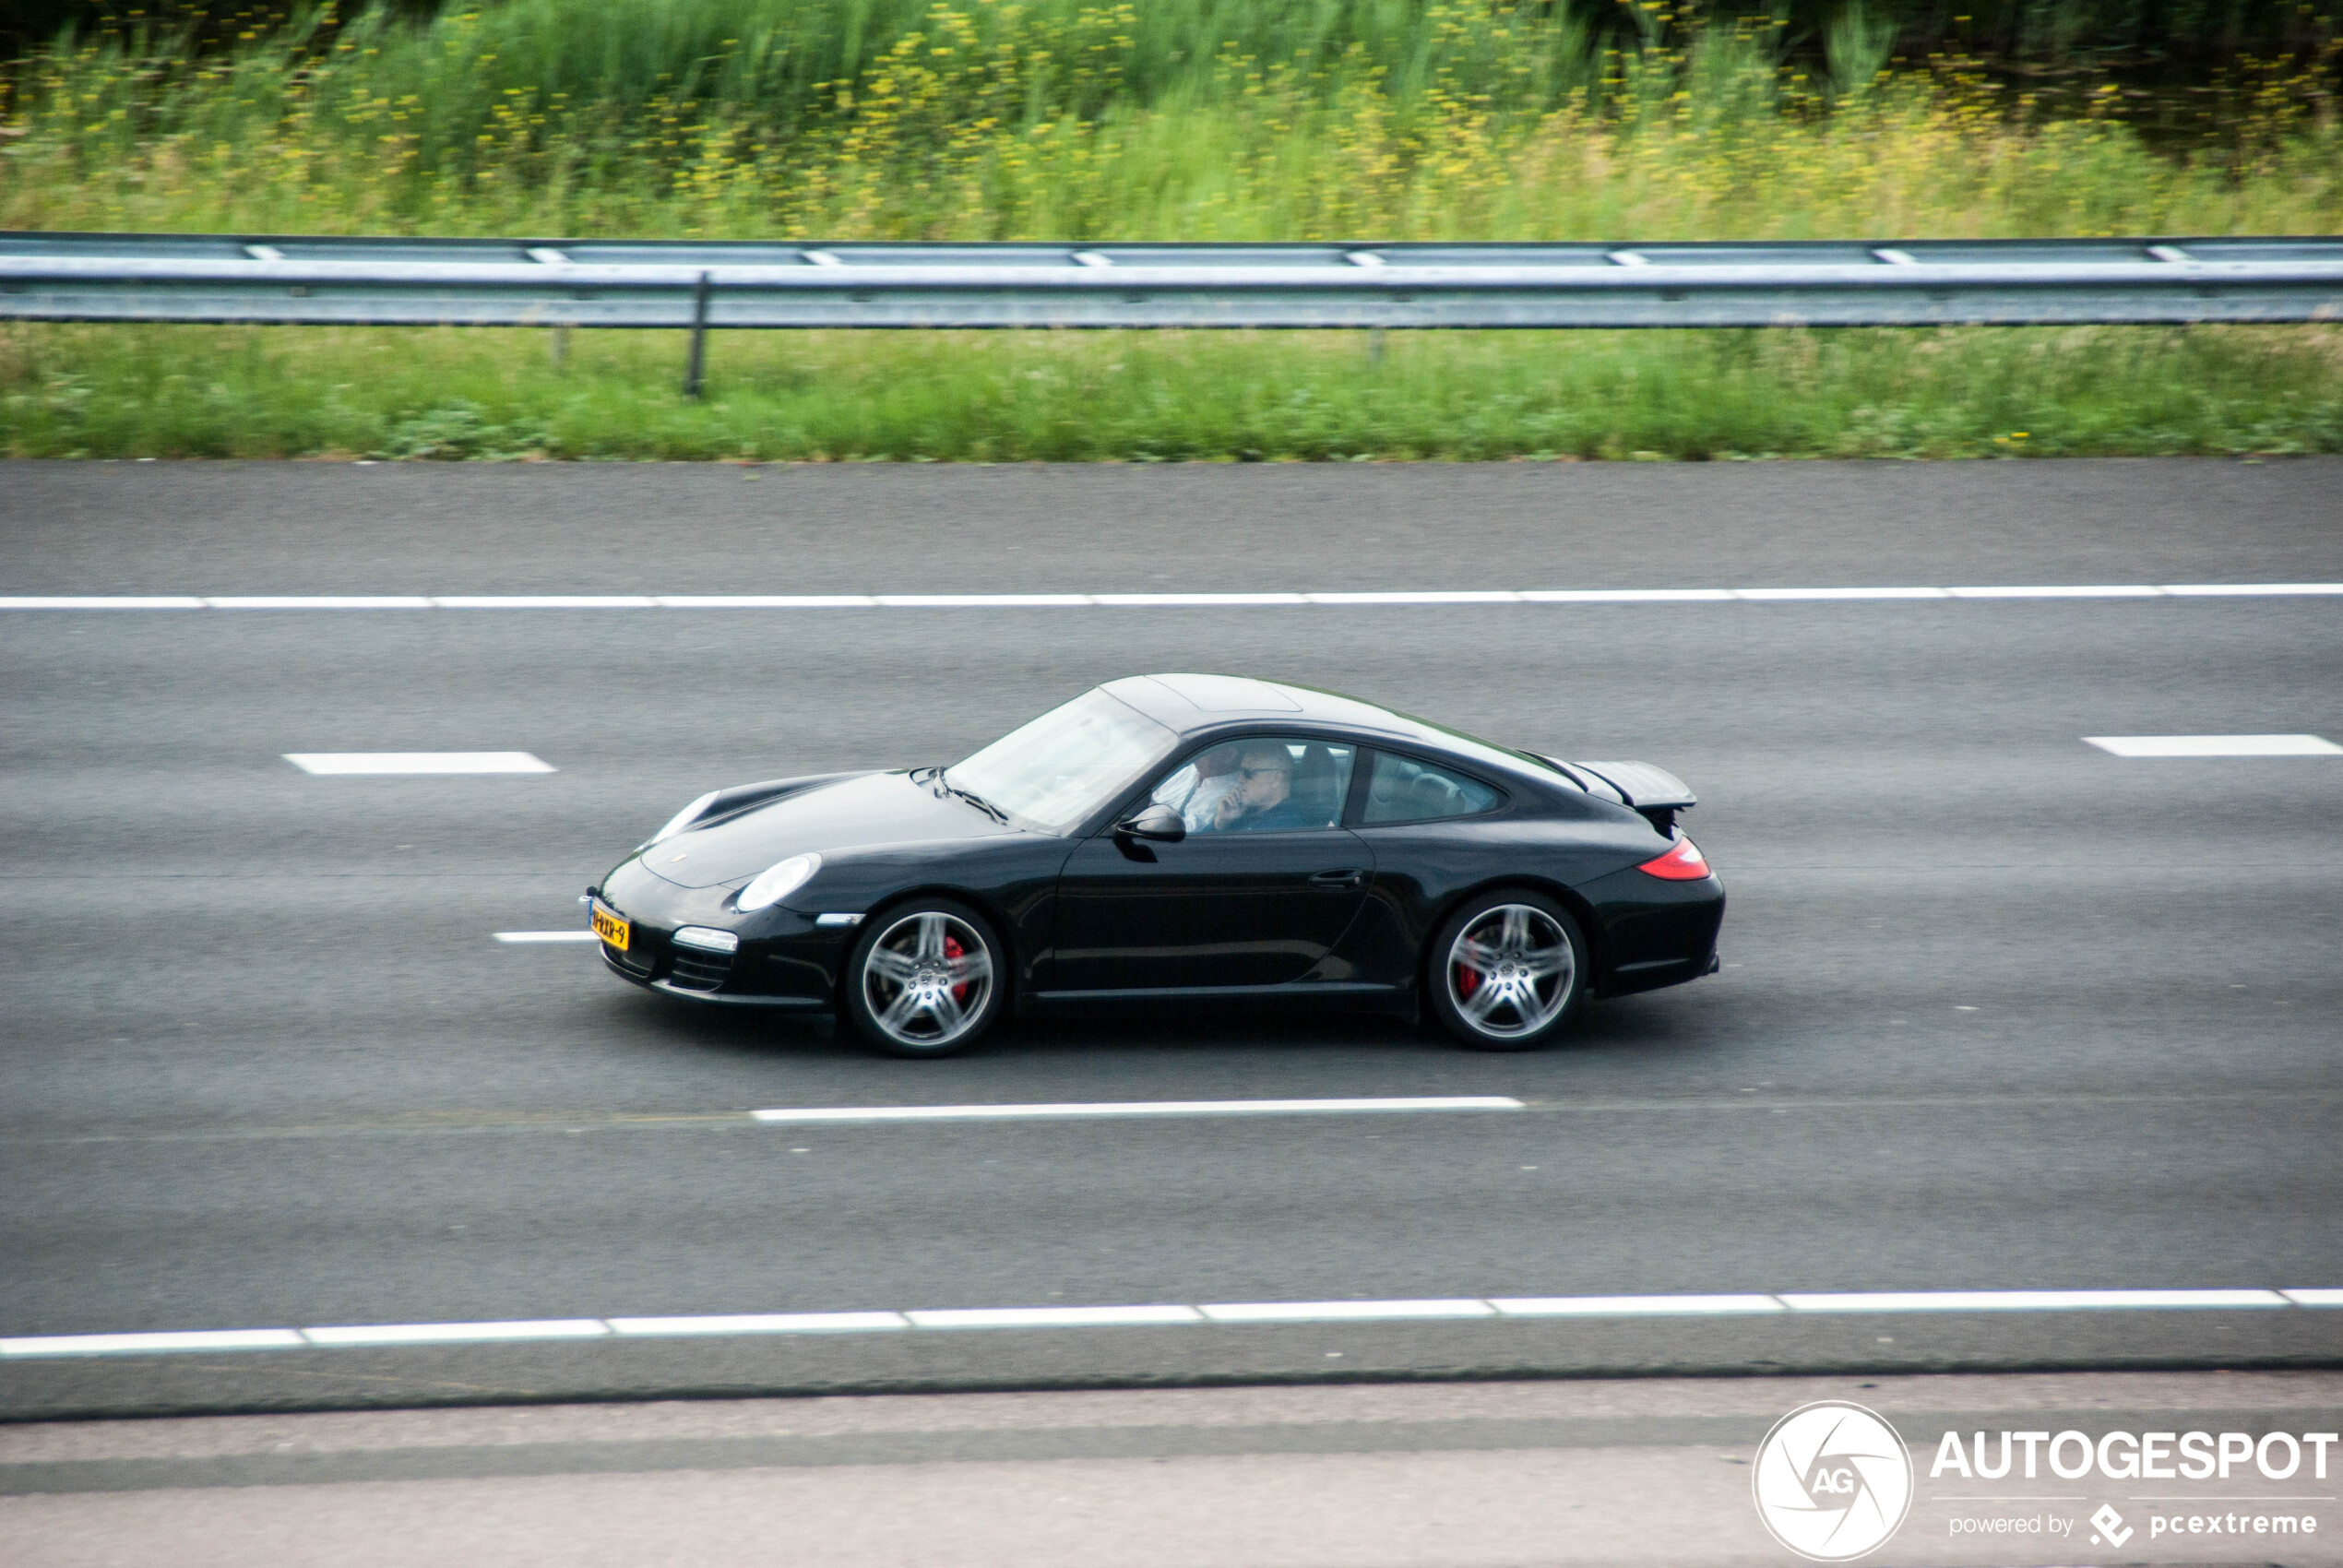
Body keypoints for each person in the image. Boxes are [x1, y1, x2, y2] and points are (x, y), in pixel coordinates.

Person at [1212, 742, 1314, 832]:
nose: (1240, 779)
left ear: (1276, 779)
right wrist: (1221, 822)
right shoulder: (1242, 812)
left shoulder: (1287, 826)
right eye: (1240, 770)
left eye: (1248, 773)